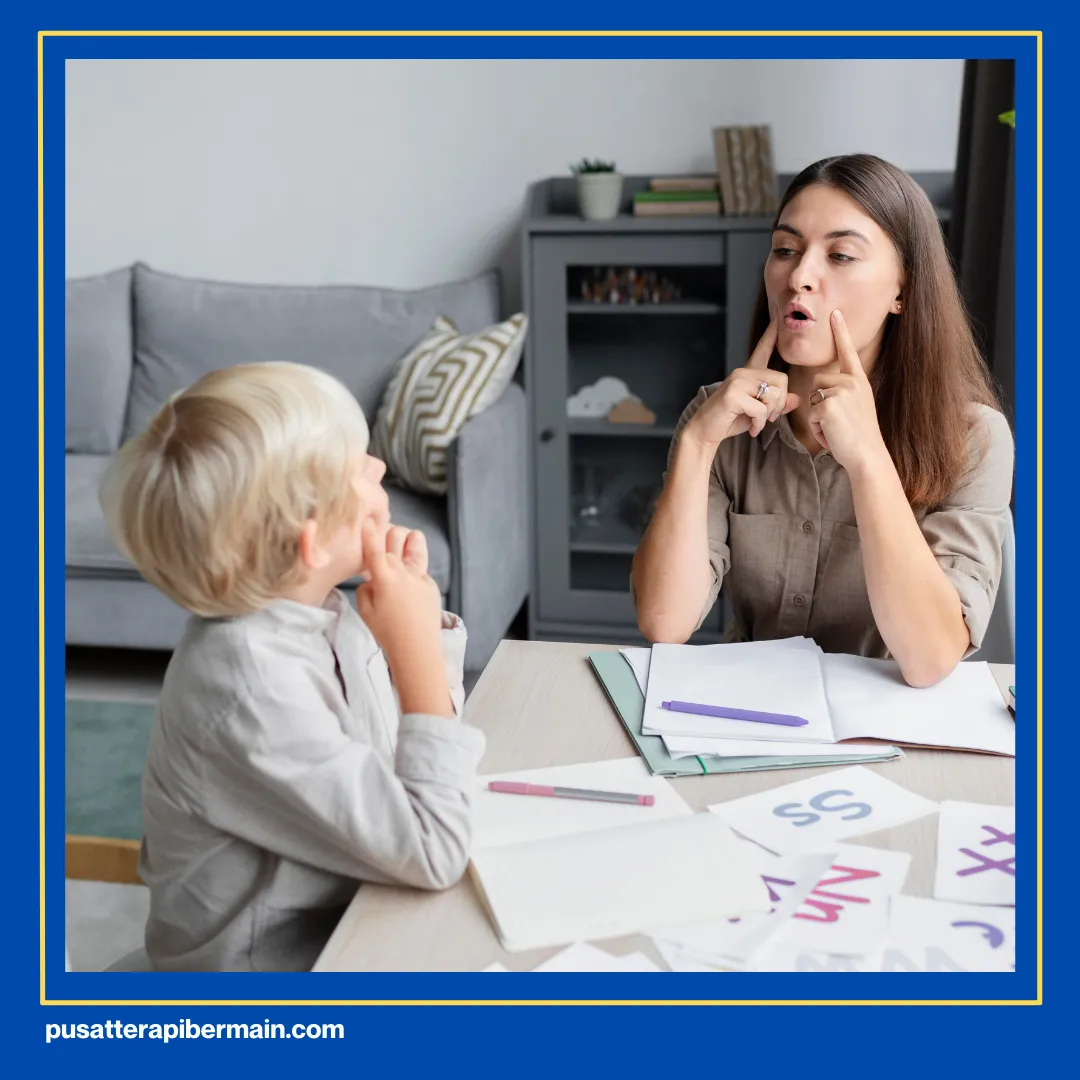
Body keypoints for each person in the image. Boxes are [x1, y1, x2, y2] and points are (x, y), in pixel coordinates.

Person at [99, 362, 485, 971]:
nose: (379, 467)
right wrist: (411, 651)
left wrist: (419, 630)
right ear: (312, 541)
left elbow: (418, 767)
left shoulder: (322, 611)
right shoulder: (251, 687)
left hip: (356, 919)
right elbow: (436, 847)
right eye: (358, 463)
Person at [630, 154, 1013, 688]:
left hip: (888, 732)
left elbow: (930, 659)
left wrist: (869, 460)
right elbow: (664, 623)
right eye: (785, 250)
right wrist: (697, 443)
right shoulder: (718, 420)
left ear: (902, 289)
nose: (800, 276)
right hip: (745, 713)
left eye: (840, 255)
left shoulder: (975, 438)